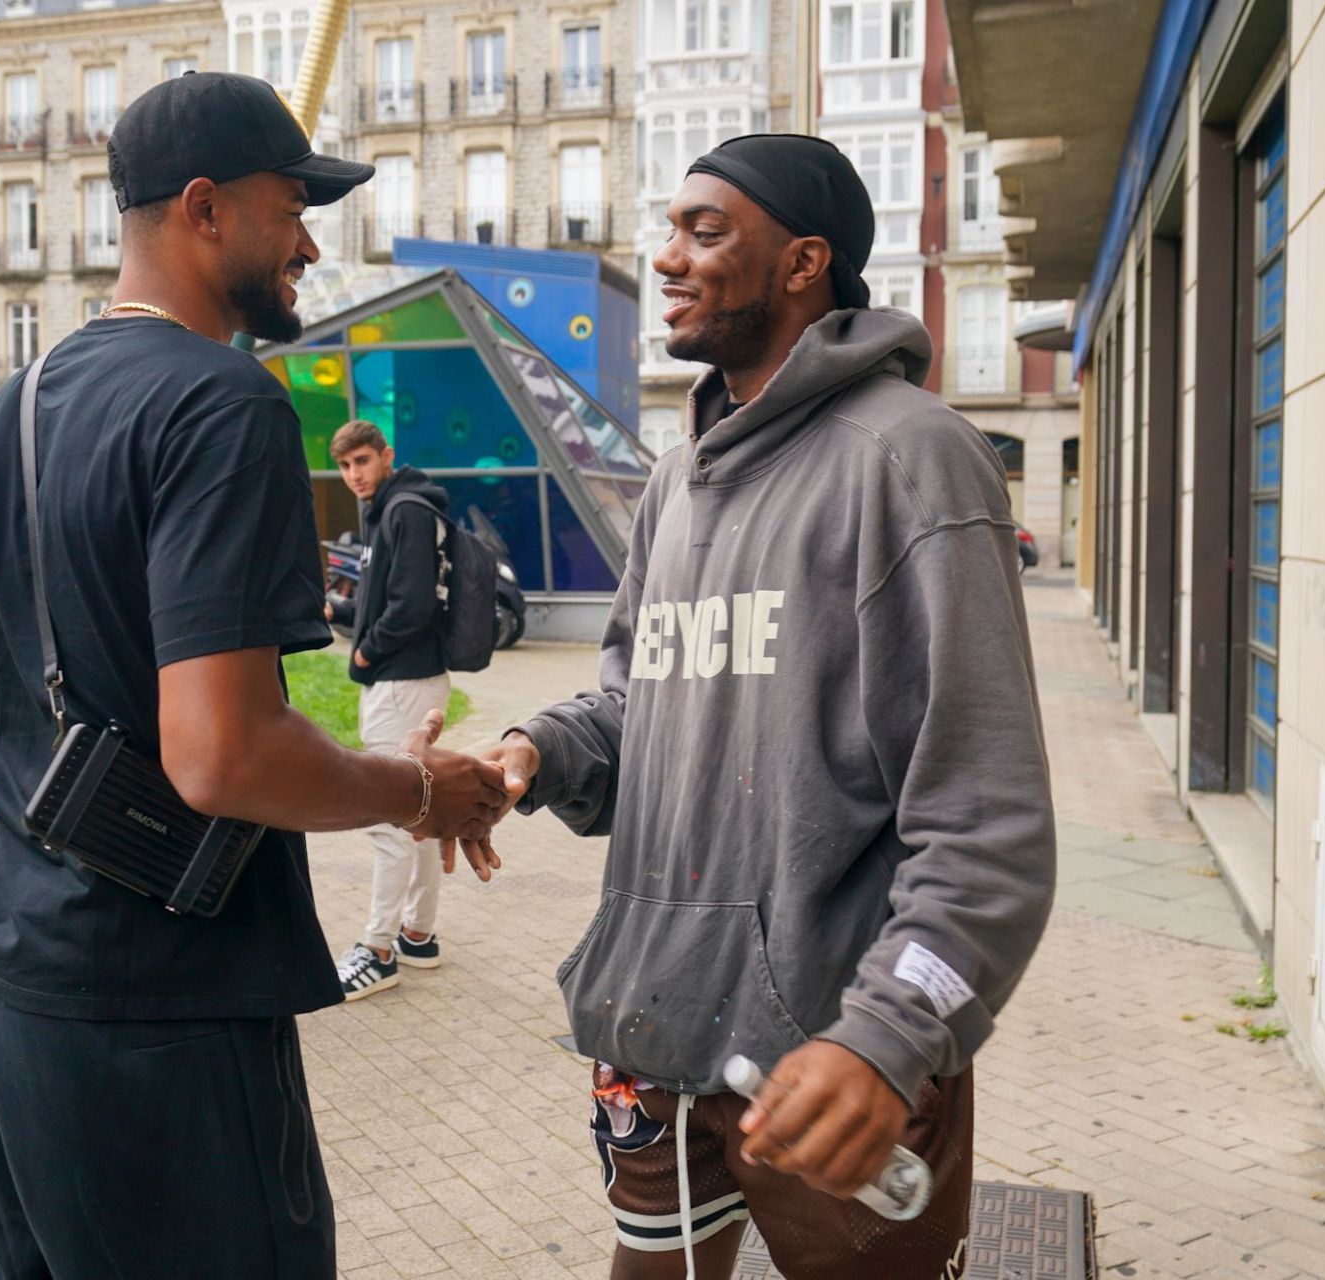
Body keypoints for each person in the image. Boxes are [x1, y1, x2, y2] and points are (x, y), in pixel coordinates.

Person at [0, 72, 508, 1280]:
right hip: (162, 1023)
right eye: (289, 207)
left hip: (2, 989)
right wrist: (417, 790)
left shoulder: (4, 415)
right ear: (202, 207)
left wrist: (66, 868)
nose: (308, 241)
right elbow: (223, 753)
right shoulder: (221, 401)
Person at [458, 134, 1057, 1278]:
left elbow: (989, 825)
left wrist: (890, 1038)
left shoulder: (913, 459)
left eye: (705, 228)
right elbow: (642, 703)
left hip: (828, 1064)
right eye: (669, 226)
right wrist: (535, 750)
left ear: (803, 262)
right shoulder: (678, 480)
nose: (668, 256)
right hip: (654, 1023)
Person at [325, 419, 454, 1000]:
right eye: (346, 466)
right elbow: (391, 600)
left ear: (386, 456)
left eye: (362, 462)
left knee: (387, 821)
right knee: (420, 813)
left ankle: (377, 951)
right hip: (414, 679)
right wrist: (349, 618)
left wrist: (366, 650)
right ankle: (418, 935)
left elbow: (410, 607)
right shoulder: (397, 509)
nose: (354, 475)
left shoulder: (403, 510)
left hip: (401, 684)